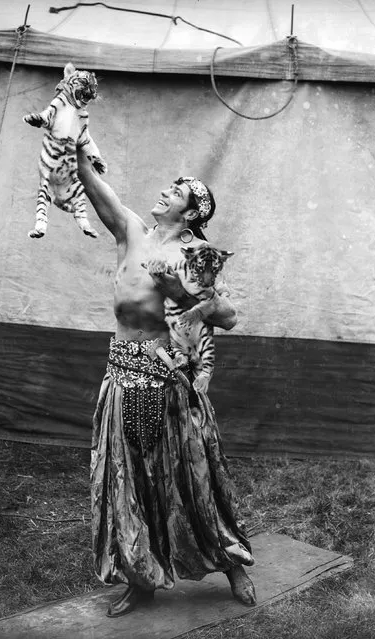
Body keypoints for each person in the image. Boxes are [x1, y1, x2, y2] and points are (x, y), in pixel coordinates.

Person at [77, 147, 256, 618]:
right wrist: (75, 144)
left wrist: (181, 293)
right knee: (128, 482)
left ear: (192, 212)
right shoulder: (133, 234)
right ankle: (142, 578)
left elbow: (229, 316)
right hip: (121, 377)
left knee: (192, 483)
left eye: (176, 192)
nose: (165, 192)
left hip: (170, 383)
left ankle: (231, 561)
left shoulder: (194, 255)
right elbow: (100, 194)